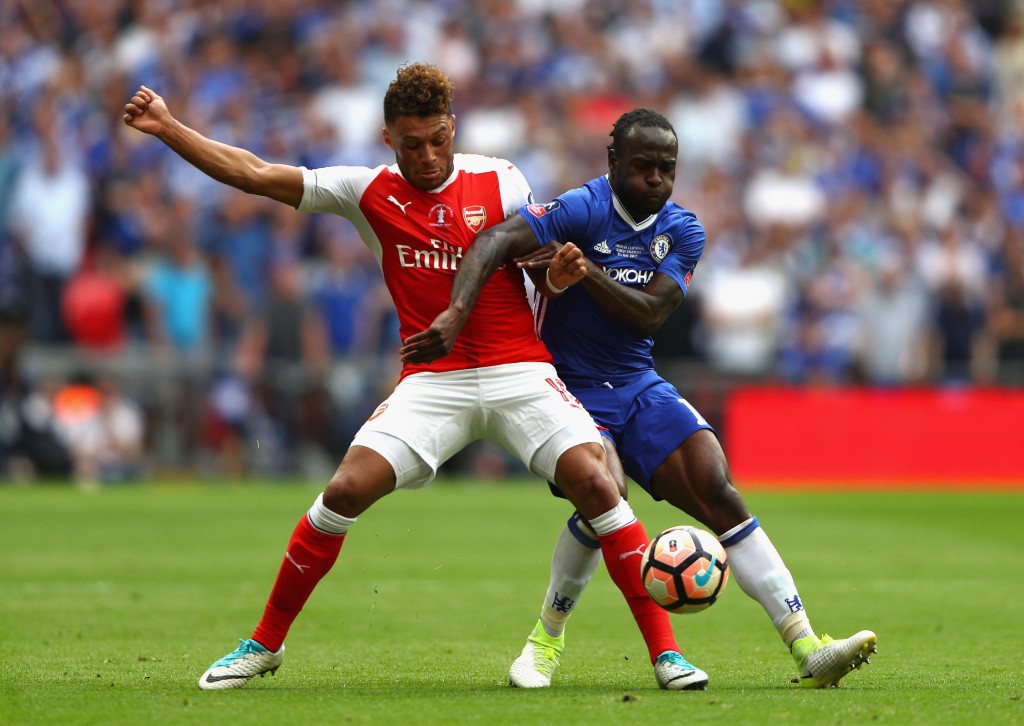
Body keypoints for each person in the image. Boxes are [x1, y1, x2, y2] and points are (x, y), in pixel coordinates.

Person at [123, 64, 684, 691]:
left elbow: (535, 273)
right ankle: (263, 644)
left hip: (518, 368)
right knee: (341, 493)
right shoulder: (364, 190)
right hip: (433, 379)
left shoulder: (500, 179)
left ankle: (666, 654)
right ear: (387, 137)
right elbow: (254, 173)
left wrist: (557, 278)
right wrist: (169, 128)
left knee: (598, 485)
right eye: (412, 143)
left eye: (438, 138)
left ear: (453, 127)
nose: (428, 155)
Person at [406, 108, 877, 690]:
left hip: (637, 382)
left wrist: (585, 274)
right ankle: (544, 643)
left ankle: (808, 646)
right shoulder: (582, 208)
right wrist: (457, 311)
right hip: (567, 386)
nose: (656, 178)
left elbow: (650, 313)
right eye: (643, 166)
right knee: (606, 494)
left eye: (667, 168)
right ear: (613, 164)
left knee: (715, 486)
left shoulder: (683, 230)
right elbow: (495, 238)